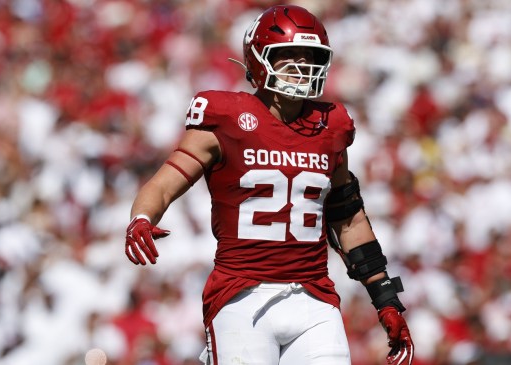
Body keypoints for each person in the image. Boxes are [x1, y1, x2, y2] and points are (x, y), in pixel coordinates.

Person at [124, 5, 413, 365]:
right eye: (289, 55)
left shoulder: (332, 125)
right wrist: (141, 217)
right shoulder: (225, 116)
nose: (302, 65)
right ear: (259, 59)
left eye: (310, 56)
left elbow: (348, 216)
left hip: (314, 298)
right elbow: (164, 184)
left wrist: (386, 297)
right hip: (241, 297)